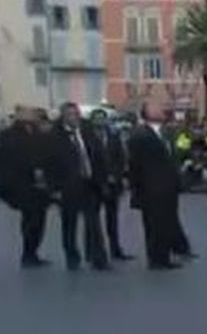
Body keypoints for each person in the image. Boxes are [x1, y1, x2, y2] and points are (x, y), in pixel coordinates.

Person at [49, 103, 110, 271]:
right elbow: (50, 164)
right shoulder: (54, 136)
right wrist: (54, 189)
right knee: (69, 224)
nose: (74, 117)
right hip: (67, 187)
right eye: (69, 114)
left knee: (93, 223)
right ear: (63, 117)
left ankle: (99, 259)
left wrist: (103, 178)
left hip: (89, 184)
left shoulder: (86, 131)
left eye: (76, 114)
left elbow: (98, 155)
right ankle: (72, 255)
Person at [127, 104, 187, 270]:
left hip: (168, 187)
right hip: (152, 187)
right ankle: (156, 258)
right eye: (157, 107)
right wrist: (137, 188)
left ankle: (164, 256)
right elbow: (135, 164)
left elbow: (173, 156)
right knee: (154, 225)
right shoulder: (141, 134)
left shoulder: (165, 132)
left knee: (166, 222)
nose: (162, 110)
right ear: (148, 113)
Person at [0, 106, 56, 268]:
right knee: (30, 218)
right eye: (28, 113)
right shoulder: (9, 134)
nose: (33, 116)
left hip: (40, 185)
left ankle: (32, 252)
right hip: (22, 183)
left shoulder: (38, 133)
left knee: (39, 218)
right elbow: (5, 157)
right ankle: (28, 253)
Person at [89, 110, 133, 261]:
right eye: (97, 118)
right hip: (94, 184)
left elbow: (121, 158)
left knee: (112, 219)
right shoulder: (87, 138)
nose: (100, 121)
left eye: (103, 118)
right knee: (93, 220)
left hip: (113, 183)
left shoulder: (113, 137)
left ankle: (116, 249)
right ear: (92, 120)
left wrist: (118, 175)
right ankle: (93, 252)